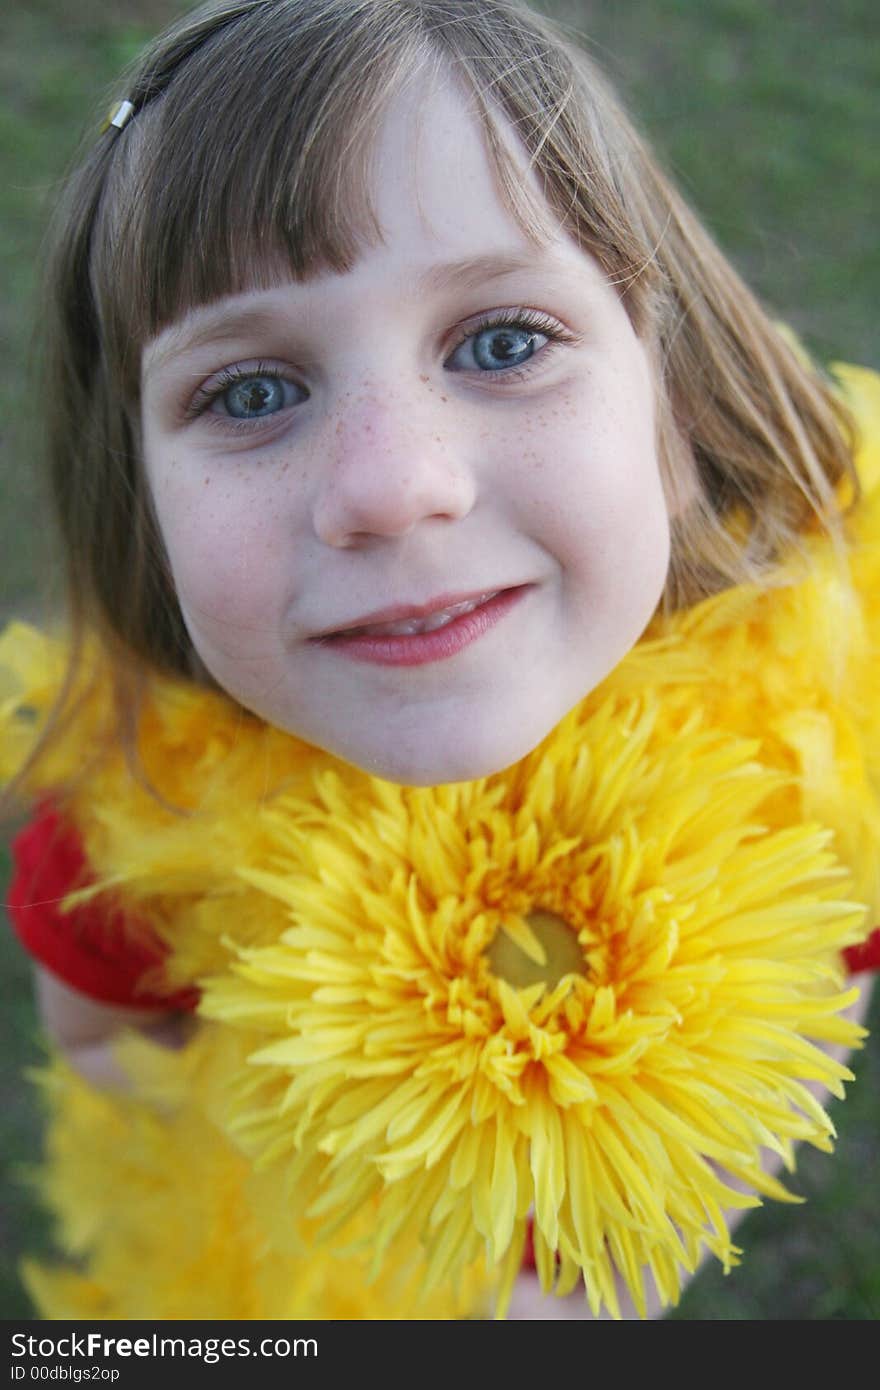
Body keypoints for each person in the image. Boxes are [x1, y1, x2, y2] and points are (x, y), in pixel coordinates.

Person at [2, 0, 878, 1321]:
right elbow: (101, 1047)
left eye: (503, 341)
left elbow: (803, 1031)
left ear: (675, 405)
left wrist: (606, 1285)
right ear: (142, 498)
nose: (393, 487)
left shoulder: (817, 762)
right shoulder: (128, 822)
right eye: (250, 391)